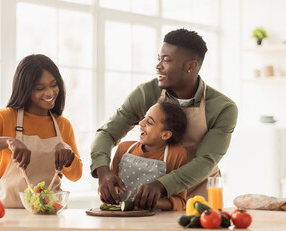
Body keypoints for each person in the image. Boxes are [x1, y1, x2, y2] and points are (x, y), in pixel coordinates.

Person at [91, 28, 238, 210]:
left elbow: (206, 160)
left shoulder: (223, 108)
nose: (158, 66)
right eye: (158, 58)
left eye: (166, 60)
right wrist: (104, 172)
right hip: (152, 201)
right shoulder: (146, 93)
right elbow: (107, 133)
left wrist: (161, 185)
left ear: (190, 66)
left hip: (200, 200)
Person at [0, 54, 83, 208]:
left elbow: (76, 175)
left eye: (53, 85)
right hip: (10, 216)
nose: (50, 93)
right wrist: (7, 141)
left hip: (50, 215)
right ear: (24, 89)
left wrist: (68, 153)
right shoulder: (5, 118)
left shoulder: (62, 124)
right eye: (40, 88)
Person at [110, 100, 187, 210]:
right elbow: (110, 188)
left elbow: (180, 201)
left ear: (165, 134)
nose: (141, 123)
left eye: (149, 122)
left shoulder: (176, 154)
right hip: (120, 217)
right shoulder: (124, 148)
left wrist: (153, 203)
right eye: (144, 117)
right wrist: (107, 193)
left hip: (155, 222)